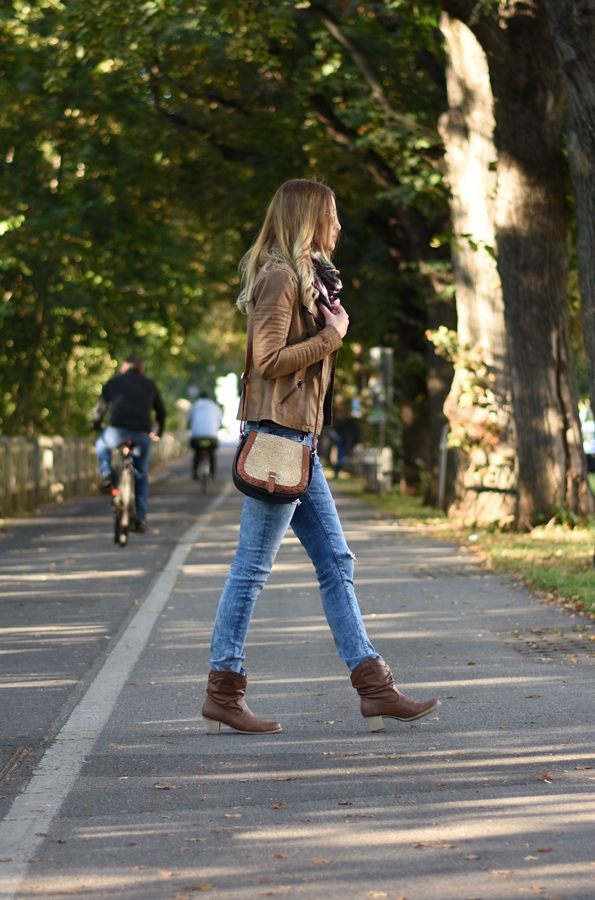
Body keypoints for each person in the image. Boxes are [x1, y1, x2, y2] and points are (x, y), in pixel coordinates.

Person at [201, 179, 440, 735]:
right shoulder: (281, 277)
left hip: (299, 443)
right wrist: (331, 337)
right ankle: (223, 691)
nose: (340, 227)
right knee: (252, 570)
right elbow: (267, 362)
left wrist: (329, 324)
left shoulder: (308, 280)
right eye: (332, 216)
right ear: (309, 219)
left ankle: (375, 688)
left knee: (337, 563)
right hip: (280, 442)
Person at [92, 355, 166, 533]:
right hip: (141, 434)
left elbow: (99, 409)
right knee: (140, 476)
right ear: (142, 370)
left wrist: (96, 424)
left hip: (117, 431)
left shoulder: (114, 382)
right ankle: (140, 519)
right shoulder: (149, 384)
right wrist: (157, 433)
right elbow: (161, 413)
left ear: (124, 369)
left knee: (101, 445)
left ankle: (106, 473)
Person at [188, 391, 223, 479]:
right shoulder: (215, 407)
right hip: (211, 438)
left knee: (197, 453)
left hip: (196, 438)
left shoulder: (195, 406)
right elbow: (220, 421)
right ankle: (213, 474)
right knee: (211, 453)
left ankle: (195, 474)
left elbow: (189, 420)